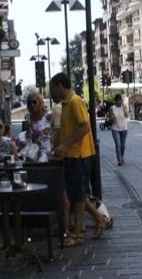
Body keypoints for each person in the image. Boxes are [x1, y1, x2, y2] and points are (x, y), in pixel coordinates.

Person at [49, 72, 111, 247]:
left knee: (76, 197)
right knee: (78, 195)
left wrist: (66, 145)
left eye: (52, 88)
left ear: (60, 85)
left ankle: (77, 235)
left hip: (79, 156)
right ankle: (100, 219)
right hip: (72, 155)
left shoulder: (75, 102)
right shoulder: (67, 103)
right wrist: (59, 147)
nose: (51, 92)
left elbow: (85, 127)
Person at [24, 91, 53, 162]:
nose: (32, 105)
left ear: (40, 102)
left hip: (49, 150)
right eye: (29, 103)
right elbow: (28, 137)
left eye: (34, 102)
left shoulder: (48, 115)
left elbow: (58, 131)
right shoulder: (29, 119)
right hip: (36, 150)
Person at [109, 94, 130, 166]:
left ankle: (122, 156)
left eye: (120, 100)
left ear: (121, 100)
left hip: (124, 129)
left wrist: (124, 108)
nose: (118, 102)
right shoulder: (112, 108)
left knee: (122, 145)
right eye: (117, 101)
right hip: (115, 129)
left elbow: (127, 116)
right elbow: (110, 118)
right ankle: (119, 160)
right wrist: (112, 118)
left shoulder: (124, 107)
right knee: (118, 143)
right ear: (115, 101)